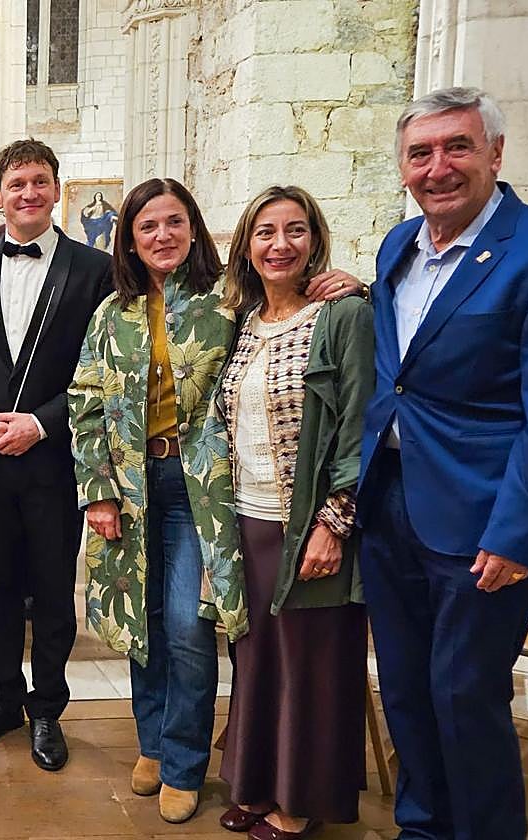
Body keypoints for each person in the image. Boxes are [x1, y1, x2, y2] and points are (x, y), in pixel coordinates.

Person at [68, 178, 363, 823]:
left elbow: (293, 312)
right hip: (130, 488)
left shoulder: (226, 300)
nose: (162, 236)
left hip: (202, 494)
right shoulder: (110, 313)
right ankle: (150, 743)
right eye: (148, 226)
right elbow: (85, 402)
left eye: (174, 222)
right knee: (139, 625)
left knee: (186, 627)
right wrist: (98, 491)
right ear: (129, 238)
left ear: (194, 229)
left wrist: (353, 283)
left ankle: (182, 761)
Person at [358, 87, 528, 840]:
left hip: (480, 515)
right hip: (391, 504)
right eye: (421, 153)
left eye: (457, 147)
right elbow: (397, 370)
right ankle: (422, 827)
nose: (438, 167)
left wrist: (517, 531)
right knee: (405, 687)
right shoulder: (397, 246)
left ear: (495, 154)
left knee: (465, 695)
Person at [0, 138, 112, 772]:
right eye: (17, 183)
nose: (29, 193)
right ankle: (1, 701)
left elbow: (101, 372)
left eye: (41, 181)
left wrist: (41, 425)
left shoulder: (92, 270)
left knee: (48, 589)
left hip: (53, 461)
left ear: (57, 190)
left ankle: (47, 708)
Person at [215, 186, 374, 839]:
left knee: (311, 667)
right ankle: (256, 784)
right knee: (256, 663)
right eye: (265, 232)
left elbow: (360, 424)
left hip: (308, 523)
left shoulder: (341, 315)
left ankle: (299, 799)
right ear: (246, 247)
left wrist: (333, 525)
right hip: (247, 520)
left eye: (295, 231)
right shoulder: (242, 321)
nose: (280, 245)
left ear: (315, 239)